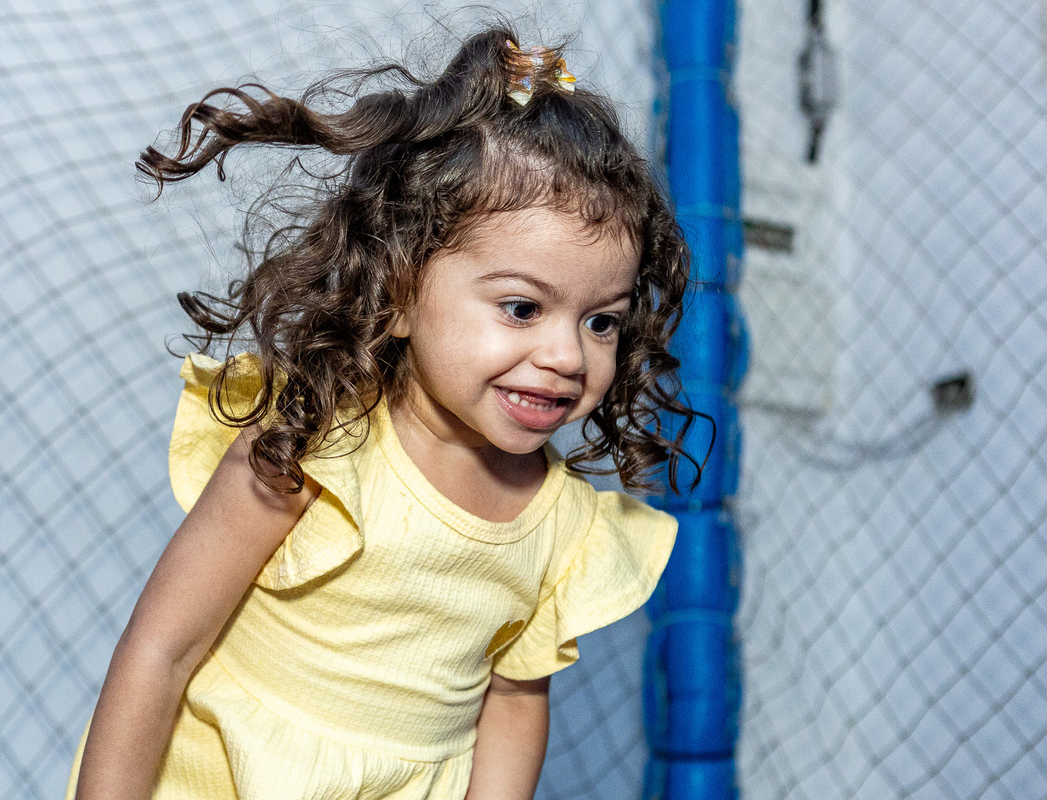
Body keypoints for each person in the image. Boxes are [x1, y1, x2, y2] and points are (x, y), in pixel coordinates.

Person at [67, 25, 700, 800]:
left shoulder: (564, 526)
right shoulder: (311, 447)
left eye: (601, 321)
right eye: (522, 307)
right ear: (398, 289)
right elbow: (161, 650)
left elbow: (512, 705)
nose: (569, 355)